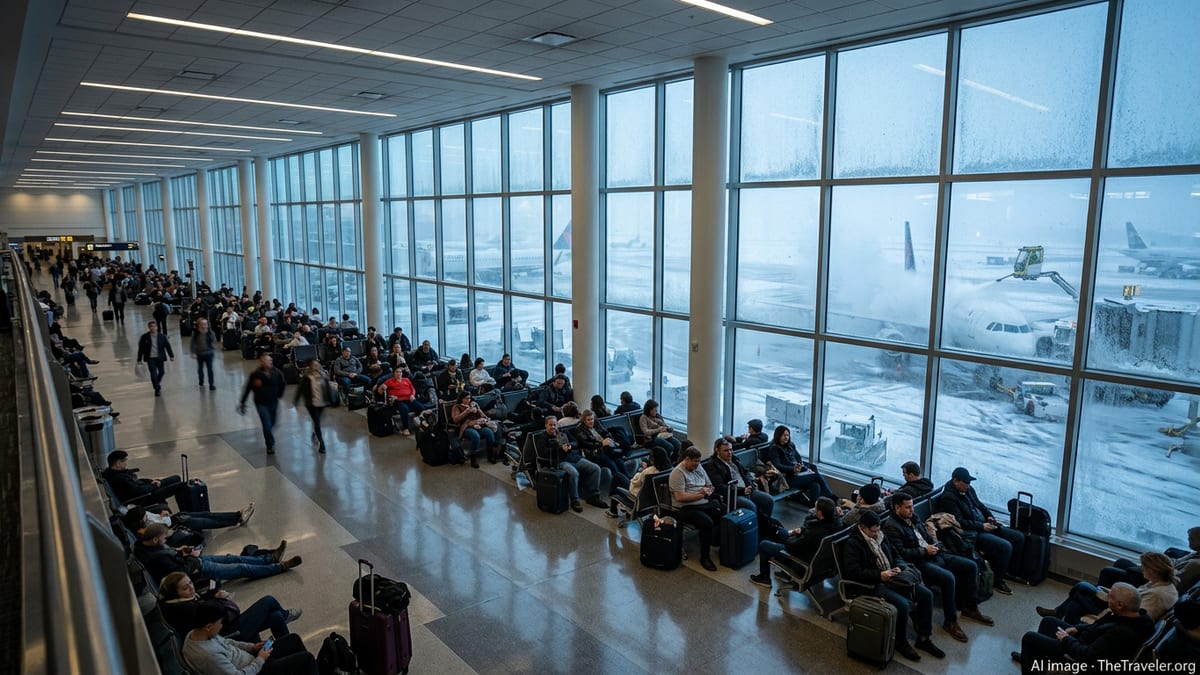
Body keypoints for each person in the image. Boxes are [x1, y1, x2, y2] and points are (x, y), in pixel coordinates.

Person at [884, 493, 995, 643]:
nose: (912, 510)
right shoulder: (892, 526)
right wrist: (925, 551)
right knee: (948, 578)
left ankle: (970, 607)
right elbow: (901, 553)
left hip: (934, 553)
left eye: (912, 506)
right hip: (919, 562)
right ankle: (950, 621)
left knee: (970, 566)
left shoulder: (913, 519)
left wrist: (934, 545)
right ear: (897, 507)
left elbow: (926, 537)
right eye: (908, 507)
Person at [842, 510, 945, 661]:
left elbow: (896, 554)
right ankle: (900, 642)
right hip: (873, 584)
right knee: (902, 605)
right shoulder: (853, 544)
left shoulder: (881, 535)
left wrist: (900, 567)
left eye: (878, 529)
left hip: (893, 577)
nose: (877, 533)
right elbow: (853, 572)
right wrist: (879, 575)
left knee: (926, 594)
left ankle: (924, 638)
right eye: (874, 530)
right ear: (863, 527)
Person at [1013, 582, 1155, 673]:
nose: (1107, 599)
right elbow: (1097, 626)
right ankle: (1033, 660)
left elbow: (1088, 656)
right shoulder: (1133, 616)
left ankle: (1031, 665)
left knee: (1029, 638)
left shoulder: (1121, 633)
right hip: (1083, 639)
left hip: (1079, 655)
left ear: (1120, 605)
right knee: (1049, 621)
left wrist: (1066, 639)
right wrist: (1078, 628)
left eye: (1110, 597)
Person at [933, 467, 1025, 595]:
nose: (968, 485)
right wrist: (982, 526)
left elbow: (979, 505)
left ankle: (1010, 571)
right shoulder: (948, 499)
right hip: (974, 532)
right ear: (956, 481)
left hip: (983, 524)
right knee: (1005, 546)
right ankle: (998, 580)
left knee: (1018, 537)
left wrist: (989, 516)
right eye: (966, 482)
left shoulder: (968, 490)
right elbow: (959, 523)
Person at [1037, 551, 1179, 623]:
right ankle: (1059, 614)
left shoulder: (1157, 596)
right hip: (1117, 604)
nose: (1142, 569)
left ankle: (1058, 615)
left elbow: (1132, 616)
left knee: (1081, 589)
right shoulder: (1161, 585)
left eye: (1144, 567)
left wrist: (1112, 601)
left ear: (1153, 571)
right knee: (1081, 590)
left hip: (1115, 610)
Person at [182, 600, 317, 675]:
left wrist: (252, 647)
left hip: (253, 659)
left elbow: (227, 642)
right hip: (257, 671)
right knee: (307, 659)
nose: (222, 626)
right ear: (209, 626)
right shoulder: (208, 656)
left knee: (293, 639)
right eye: (220, 623)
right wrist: (260, 659)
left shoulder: (196, 634)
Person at [158, 572, 301, 643]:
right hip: (228, 635)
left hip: (224, 630)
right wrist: (218, 599)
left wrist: (213, 597)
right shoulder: (188, 608)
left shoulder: (177, 603)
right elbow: (221, 617)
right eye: (185, 587)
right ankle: (286, 615)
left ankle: (288, 646)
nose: (191, 587)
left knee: (275, 617)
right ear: (175, 592)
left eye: (190, 583)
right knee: (268, 601)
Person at [135, 523, 301, 584]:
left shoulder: (147, 547)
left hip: (192, 561)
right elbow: (181, 572)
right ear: (155, 539)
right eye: (164, 539)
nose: (166, 541)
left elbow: (171, 558)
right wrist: (190, 558)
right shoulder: (156, 557)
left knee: (231, 557)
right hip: (196, 569)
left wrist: (180, 551)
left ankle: (269, 557)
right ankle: (278, 567)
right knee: (240, 568)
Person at [749, 496, 843, 589]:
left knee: (764, 545)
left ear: (820, 513)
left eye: (815, 508)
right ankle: (785, 574)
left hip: (800, 562)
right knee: (780, 532)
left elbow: (792, 547)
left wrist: (795, 535)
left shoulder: (816, 532)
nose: (813, 509)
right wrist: (800, 532)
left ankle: (764, 578)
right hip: (818, 561)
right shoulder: (837, 523)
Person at [669, 446, 723, 572]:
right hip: (685, 508)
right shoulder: (677, 473)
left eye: (699, 461)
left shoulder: (698, 467)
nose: (697, 465)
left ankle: (718, 542)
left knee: (723, 510)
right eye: (695, 462)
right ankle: (705, 557)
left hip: (703, 502)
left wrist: (708, 490)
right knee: (706, 522)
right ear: (687, 459)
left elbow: (709, 485)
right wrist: (702, 493)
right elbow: (680, 497)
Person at [1098, 526, 1200, 593]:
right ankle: (1115, 593)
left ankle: (1101, 600)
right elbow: (1175, 562)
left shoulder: (1195, 565)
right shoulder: (1195, 554)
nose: (1188, 541)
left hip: (1156, 581)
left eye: (1192, 539)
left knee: (1107, 572)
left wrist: (1151, 571)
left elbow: (1174, 583)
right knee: (1121, 562)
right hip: (1159, 573)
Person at [542, 416, 608, 513]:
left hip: (573, 458)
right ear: (546, 426)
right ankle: (575, 500)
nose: (553, 427)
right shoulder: (543, 437)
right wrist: (560, 448)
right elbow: (544, 452)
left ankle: (593, 496)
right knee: (574, 473)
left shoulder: (563, 432)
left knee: (595, 468)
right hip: (560, 461)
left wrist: (570, 446)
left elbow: (575, 442)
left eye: (554, 425)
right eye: (550, 425)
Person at [707, 436, 774, 522]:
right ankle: (754, 528)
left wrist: (750, 484)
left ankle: (765, 525)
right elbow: (720, 487)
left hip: (747, 489)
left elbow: (745, 472)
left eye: (731, 450)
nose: (730, 453)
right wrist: (742, 491)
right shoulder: (714, 465)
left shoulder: (734, 459)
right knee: (751, 506)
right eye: (726, 450)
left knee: (769, 500)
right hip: (733, 494)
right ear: (717, 451)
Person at [765, 425, 836, 504]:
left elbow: (798, 457)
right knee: (816, 476)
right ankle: (831, 497)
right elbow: (777, 465)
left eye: (787, 435)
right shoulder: (774, 448)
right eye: (784, 435)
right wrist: (792, 469)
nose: (786, 437)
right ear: (778, 436)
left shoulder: (790, 445)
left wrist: (802, 467)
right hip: (788, 477)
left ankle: (814, 506)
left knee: (815, 484)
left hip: (797, 473)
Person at [102, 450, 188, 507]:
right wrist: (153, 485)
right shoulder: (119, 478)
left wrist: (151, 481)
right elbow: (138, 491)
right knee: (181, 486)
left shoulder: (115, 473)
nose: (126, 463)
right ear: (118, 463)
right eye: (124, 461)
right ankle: (185, 511)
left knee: (176, 478)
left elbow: (138, 483)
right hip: (146, 497)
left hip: (147, 489)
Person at [238, 355, 287, 455]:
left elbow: (282, 384)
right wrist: (243, 402)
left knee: (273, 423)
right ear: (261, 362)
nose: (269, 362)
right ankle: (270, 445)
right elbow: (248, 388)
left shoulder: (277, 373)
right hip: (261, 403)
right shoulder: (256, 375)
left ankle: (269, 436)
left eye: (270, 360)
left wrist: (279, 395)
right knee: (267, 425)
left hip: (273, 402)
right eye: (266, 361)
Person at [124, 504, 252, 537]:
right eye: (144, 517)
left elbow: (153, 516)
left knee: (207, 515)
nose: (147, 516)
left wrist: (161, 515)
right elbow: (163, 527)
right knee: (208, 521)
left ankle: (236, 515)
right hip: (177, 524)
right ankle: (236, 518)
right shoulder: (146, 528)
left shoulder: (143, 516)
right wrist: (163, 517)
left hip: (176, 518)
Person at [293, 360, 334, 454]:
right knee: (317, 422)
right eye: (313, 365)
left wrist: (331, 401)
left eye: (317, 365)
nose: (315, 366)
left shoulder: (323, 376)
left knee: (318, 421)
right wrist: (296, 400)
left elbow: (328, 389)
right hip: (311, 404)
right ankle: (322, 443)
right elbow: (300, 389)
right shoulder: (307, 377)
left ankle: (315, 432)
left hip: (322, 403)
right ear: (311, 366)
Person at [376, 368, 430, 437]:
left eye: (400, 372)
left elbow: (412, 389)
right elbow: (379, 391)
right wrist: (382, 387)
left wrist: (412, 395)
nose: (399, 373)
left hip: (409, 398)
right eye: (397, 372)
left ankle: (421, 424)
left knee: (422, 407)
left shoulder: (406, 380)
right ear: (394, 373)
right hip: (398, 400)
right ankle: (405, 428)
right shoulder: (389, 381)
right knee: (405, 409)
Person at [451, 391, 497, 468]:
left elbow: (482, 414)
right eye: (466, 398)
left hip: (477, 424)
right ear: (461, 399)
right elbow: (455, 419)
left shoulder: (473, 404)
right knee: (475, 436)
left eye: (469, 398)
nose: (468, 400)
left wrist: (485, 418)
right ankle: (473, 457)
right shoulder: (457, 407)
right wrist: (466, 411)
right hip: (465, 426)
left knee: (489, 432)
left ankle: (490, 455)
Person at [137, 320, 176, 397]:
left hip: (160, 358)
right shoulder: (144, 337)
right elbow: (141, 348)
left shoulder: (162, 336)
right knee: (153, 375)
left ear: (157, 327)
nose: (153, 328)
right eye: (151, 326)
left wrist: (171, 356)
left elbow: (167, 346)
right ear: (149, 327)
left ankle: (156, 384)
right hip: (150, 359)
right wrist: (139, 359)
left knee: (162, 372)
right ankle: (157, 389)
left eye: (154, 326)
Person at [191, 318, 218, 391]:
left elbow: (214, 340)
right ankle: (201, 381)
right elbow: (192, 343)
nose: (204, 326)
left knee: (210, 369)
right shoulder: (195, 333)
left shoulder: (210, 332)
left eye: (205, 324)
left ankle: (211, 384)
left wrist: (213, 348)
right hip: (199, 353)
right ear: (199, 325)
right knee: (200, 368)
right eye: (202, 324)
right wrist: (193, 352)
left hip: (209, 353)